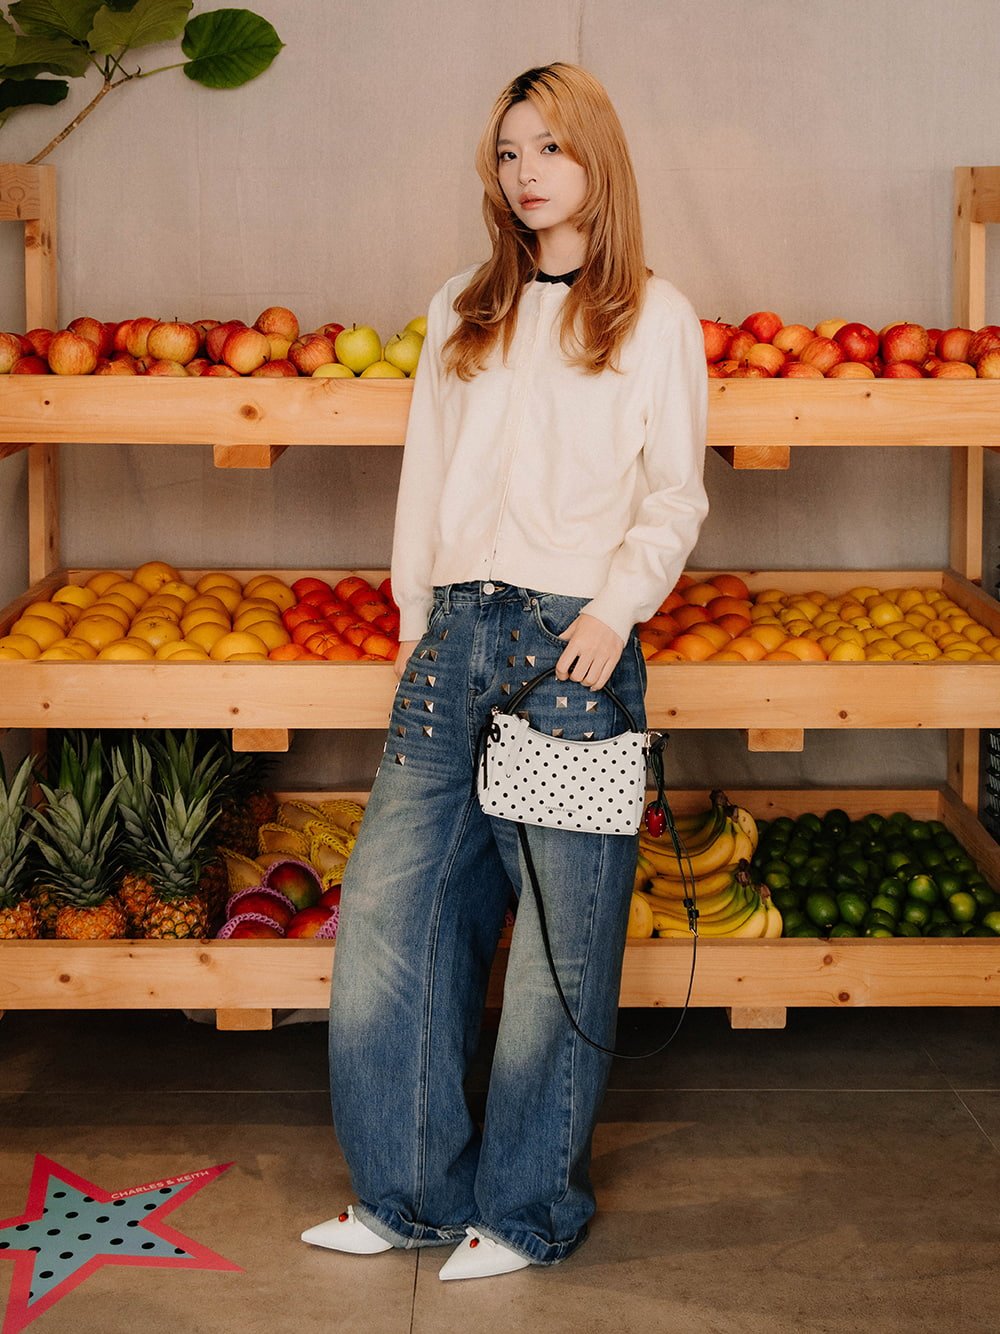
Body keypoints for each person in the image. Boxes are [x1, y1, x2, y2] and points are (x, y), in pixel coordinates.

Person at [302, 61, 708, 1281]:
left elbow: (675, 492)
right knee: (389, 916)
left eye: (549, 149)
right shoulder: (461, 306)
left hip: (569, 658)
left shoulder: (655, 315)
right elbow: (424, 477)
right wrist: (418, 613)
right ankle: (408, 1193)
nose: (526, 174)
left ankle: (524, 1207)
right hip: (453, 643)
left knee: (556, 955)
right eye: (508, 153)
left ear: (596, 159)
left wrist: (616, 608)